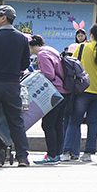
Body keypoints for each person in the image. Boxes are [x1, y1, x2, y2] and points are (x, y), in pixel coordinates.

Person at [64, 23, 97, 162]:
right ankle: (88, 153)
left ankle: (67, 151)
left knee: (74, 122)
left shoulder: (83, 47)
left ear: (91, 35)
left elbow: (73, 65)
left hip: (84, 89)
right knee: (93, 122)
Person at [0, 5, 32, 167]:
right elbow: (25, 63)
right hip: (12, 84)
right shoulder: (22, 38)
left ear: (3, 18)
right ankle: (22, 157)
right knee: (16, 121)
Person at [29, 35, 70, 164]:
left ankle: (52, 154)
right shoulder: (50, 49)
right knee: (58, 123)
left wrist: (36, 75)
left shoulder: (41, 54)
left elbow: (49, 75)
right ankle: (56, 153)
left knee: (47, 123)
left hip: (55, 91)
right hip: (65, 90)